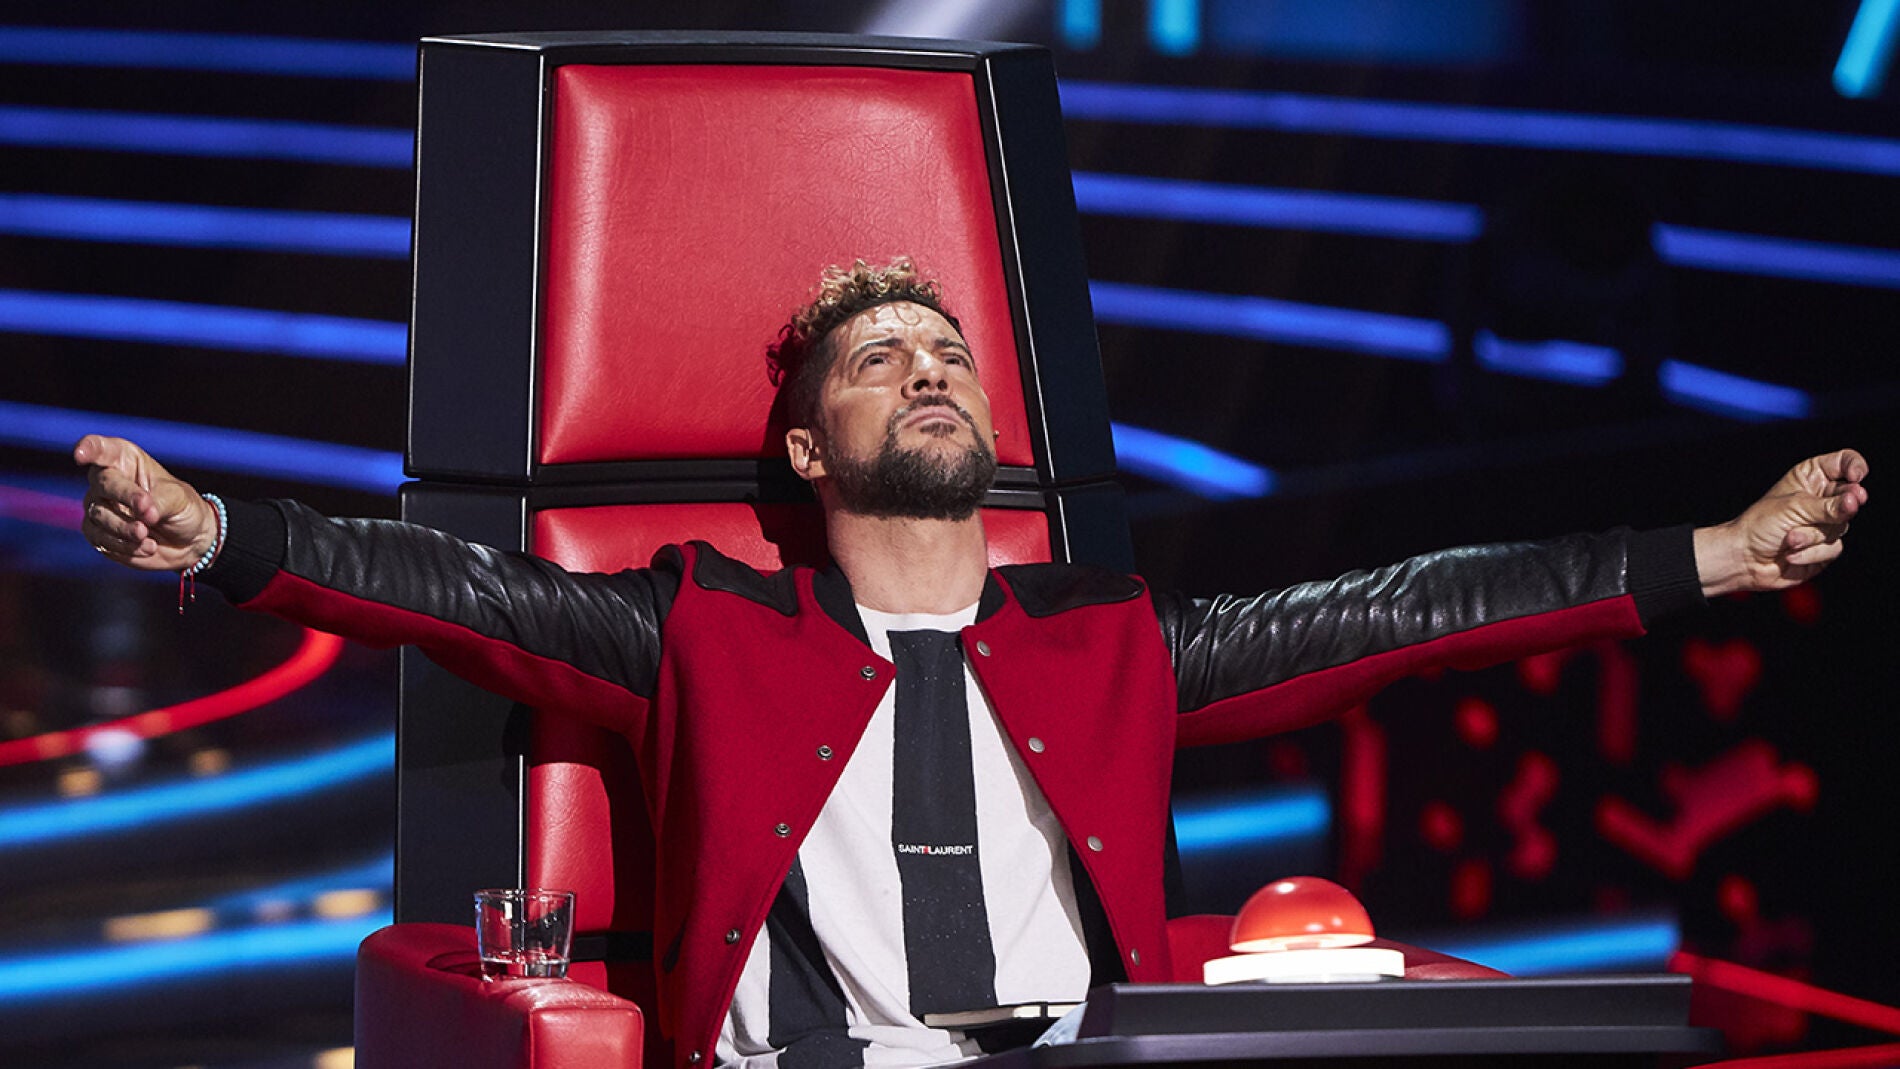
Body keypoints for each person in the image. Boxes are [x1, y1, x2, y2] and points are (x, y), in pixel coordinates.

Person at [76, 259, 1867, 1069]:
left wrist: (1713, 554)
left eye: (945, 353)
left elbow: (1410, 608)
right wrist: (221, 532)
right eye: (879, 360)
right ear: (806, 449)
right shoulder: (701, 625)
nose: (928, 369)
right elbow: (447, 588)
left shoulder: (1112, 640)